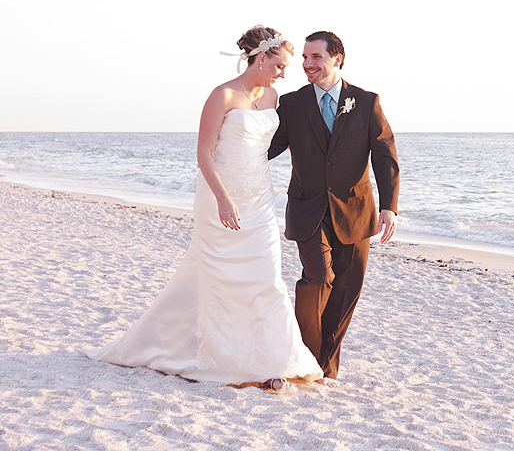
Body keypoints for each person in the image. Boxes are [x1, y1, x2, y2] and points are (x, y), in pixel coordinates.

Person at [87, 26, 323, 391]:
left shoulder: (274, 96)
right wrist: (223, 198)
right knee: (222, 280)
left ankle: (276, 360)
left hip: (260, 199)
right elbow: (204, 155)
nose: (283, 74)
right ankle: (225, 358)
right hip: (221, 198)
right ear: (260, 58)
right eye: (279, 65)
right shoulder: (223, 95)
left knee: (267, 278)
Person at [268, 31, 399, 380]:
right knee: (317, 279)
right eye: (305, 58)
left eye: (316, 57)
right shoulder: (292, 104)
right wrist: (233, 159)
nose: (308, 64)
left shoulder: (367, 102)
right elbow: (269, 147)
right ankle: (304, 360)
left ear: (336, 58)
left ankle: (323, 366)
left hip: (355, 211)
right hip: (307, 208)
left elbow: (385, 156)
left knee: (347, 288)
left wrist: (390, 207)